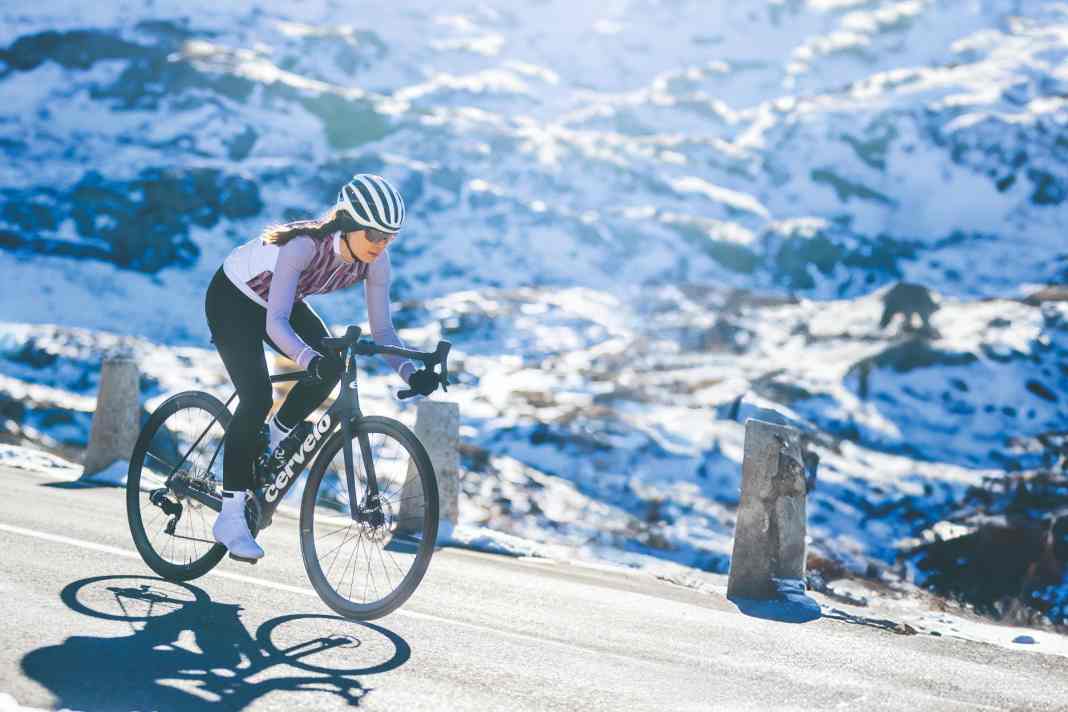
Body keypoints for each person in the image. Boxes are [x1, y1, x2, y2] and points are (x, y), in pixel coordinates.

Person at [204, 174, 441, 562]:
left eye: (389, 238)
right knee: (258, 396)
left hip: (281, 300)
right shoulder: (302, 247)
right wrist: (304, 357)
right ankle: (230, 517)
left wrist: (412, 373)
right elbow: (274, 324)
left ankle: (278, 436)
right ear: (349, 225)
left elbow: (383, 329)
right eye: (375, 235)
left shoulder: (375, 262)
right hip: (234, 299)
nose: (381, 245)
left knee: (333, 364)